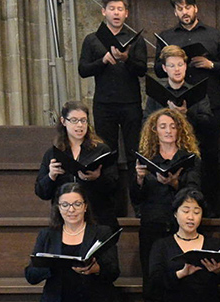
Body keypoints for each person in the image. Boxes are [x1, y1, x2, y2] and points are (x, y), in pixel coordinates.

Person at [155, 0, 220, 214]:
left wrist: (211, 65)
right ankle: (177, 208)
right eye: (180, 8)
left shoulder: (214, 34)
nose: (184, 12)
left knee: (209, 158)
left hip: (207, 105)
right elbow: (158, 69)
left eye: (188, 7)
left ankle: (209, 209)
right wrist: (175, 64)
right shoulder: (167, 36)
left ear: (195, 8)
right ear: (175, 11)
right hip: (173, 104)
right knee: (178, 158)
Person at [132, 108, 201, 302]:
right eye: (163, 126)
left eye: (172, 126)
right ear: (155, 130)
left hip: (178, 226)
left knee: (180, 281)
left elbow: (195, 191)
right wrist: (139, 180)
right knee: (153, 283)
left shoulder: (188, 157)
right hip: (152, 224)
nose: (168, 131)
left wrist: (174, 183)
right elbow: (136, 199)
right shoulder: (146, 158)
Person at [78, 0, 147, 195]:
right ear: (103, 12)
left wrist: (126, 59)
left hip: (130, 103)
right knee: (107, 153)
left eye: (120, 9)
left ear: (126, 14)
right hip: (104, 104)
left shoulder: (134, 39)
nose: (116, 13)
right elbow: (83, 70)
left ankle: (137, 199)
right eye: (112, 9)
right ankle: (111, 203)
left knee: (135, 151)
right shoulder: (93, 39)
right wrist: (103, 61)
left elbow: (142, 69)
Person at [36, 100, 120, 230]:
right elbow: (41, 192)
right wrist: (51, 176)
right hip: (65, 222)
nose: (80, 125)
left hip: (97, 218)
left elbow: (114, 186)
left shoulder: (101, 150)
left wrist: (97, 178)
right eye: (74, 120)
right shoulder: (54, 153)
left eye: (83, 120)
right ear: (64, 122)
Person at [144, 45, 214, 135]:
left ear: (185, 66)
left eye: (180, 65)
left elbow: (208, 124)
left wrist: (187, 114)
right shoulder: (156, 93)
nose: (177, 69)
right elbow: (146, 122)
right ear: (165, 68)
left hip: (192, 143)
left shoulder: (198, 92)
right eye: (172, 66)